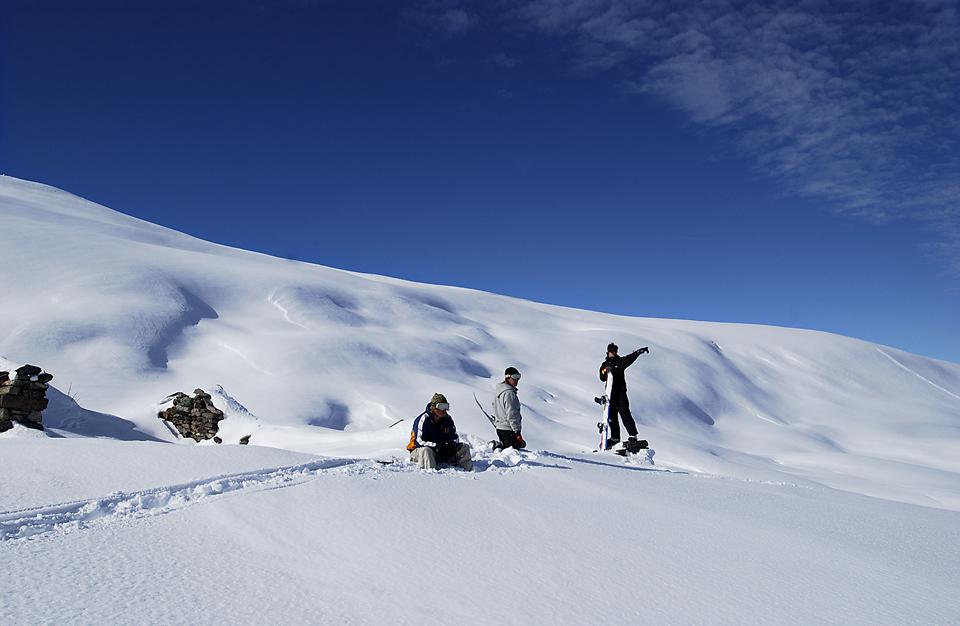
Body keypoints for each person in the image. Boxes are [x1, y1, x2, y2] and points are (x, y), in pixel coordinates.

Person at [599, 342, 649, 449]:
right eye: (611, 351)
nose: (613, 353)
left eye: (615, 352)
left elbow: (630, 358)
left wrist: (638, 352)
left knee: (624, 413)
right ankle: (615, 437)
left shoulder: (620, 362)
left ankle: (633, 435)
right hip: (610, 394)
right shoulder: (604, 364)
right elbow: (602, 377)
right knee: (611, 416)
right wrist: (605, 371)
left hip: (621, 393)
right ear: (608, 352)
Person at [407, 393, 473, 470]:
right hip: (421, 452)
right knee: (426, 450)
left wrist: (450, 445)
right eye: (441, 406)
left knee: (464, 447)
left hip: (441, 452)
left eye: (446, 407)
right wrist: (436, 446)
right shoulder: (424, 419)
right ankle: (432, 475)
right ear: (433, 407)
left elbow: (454, 437)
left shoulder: (447, 419)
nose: (443, 410)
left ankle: (466, 471)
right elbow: (418, 441)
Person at [491, 367, 526, 450]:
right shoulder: (509, 393)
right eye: (515, 377)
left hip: (500, 428)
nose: (517, 380)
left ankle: (497, 446)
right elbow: (512, 413)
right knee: (511, 453)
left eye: (518, 377)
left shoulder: (499, 391)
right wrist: (517, 432)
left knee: (506, 451)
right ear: (508, 377)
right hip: (508, 429)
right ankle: (495, 446)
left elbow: (494, 406)